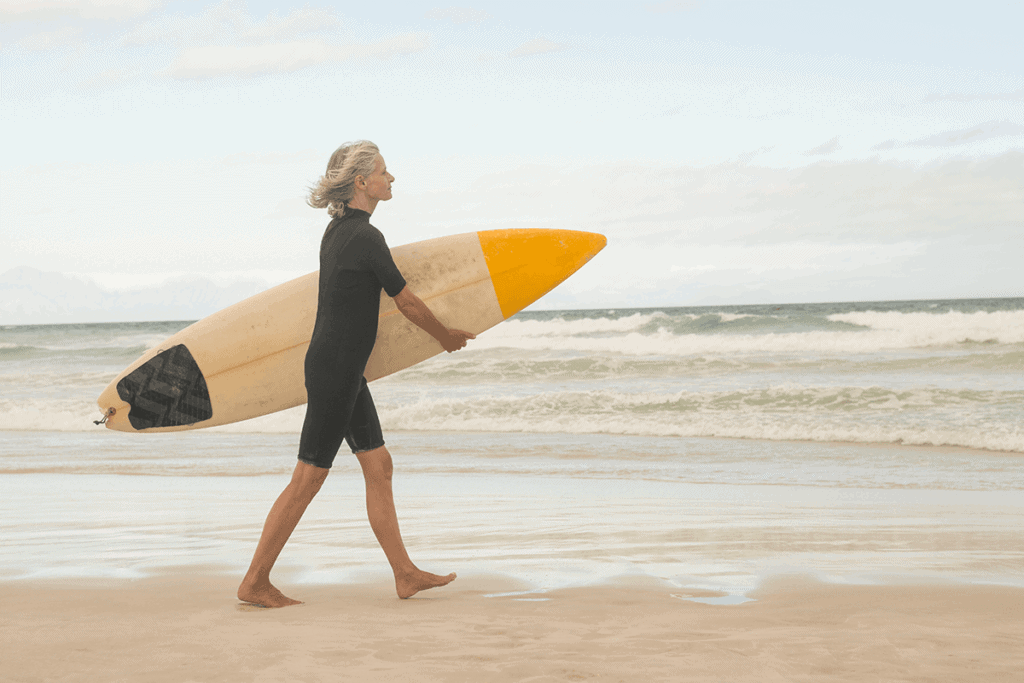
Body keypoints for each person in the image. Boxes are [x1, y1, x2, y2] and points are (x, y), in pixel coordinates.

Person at [237, 141, 475, 608]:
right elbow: (403, 300)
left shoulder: (337, 232)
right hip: (335, 372)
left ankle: (405, 574)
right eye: (384, 172)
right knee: (307, 477)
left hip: (340, 369)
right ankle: (255, 581)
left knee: (378, 466)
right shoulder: (366, 238)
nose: (391, 179)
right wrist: (444, 337)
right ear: (362, 182)